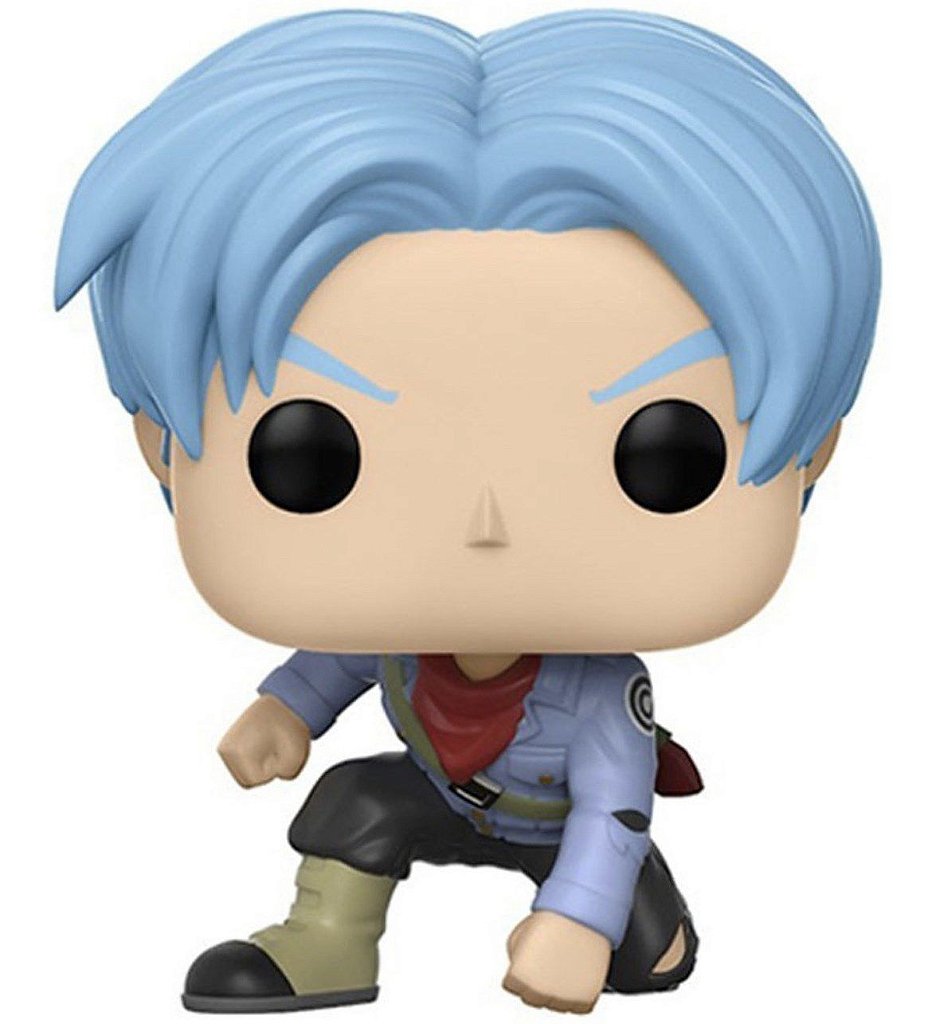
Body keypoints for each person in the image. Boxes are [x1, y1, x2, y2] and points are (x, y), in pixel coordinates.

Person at [55, 9, 880, 1014]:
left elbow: (613, 811)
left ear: (810, 452)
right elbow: (339, 658)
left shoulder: (601, 696)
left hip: (565, 833)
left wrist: (576, 921)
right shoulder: (394, 636)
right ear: (162, 446)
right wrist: (283, 709)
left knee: (640, 951)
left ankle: (622, 929)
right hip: (441, 796)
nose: (487, 524)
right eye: (311, 456)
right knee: (354, 799)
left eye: (663, 457)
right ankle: (324, 947)